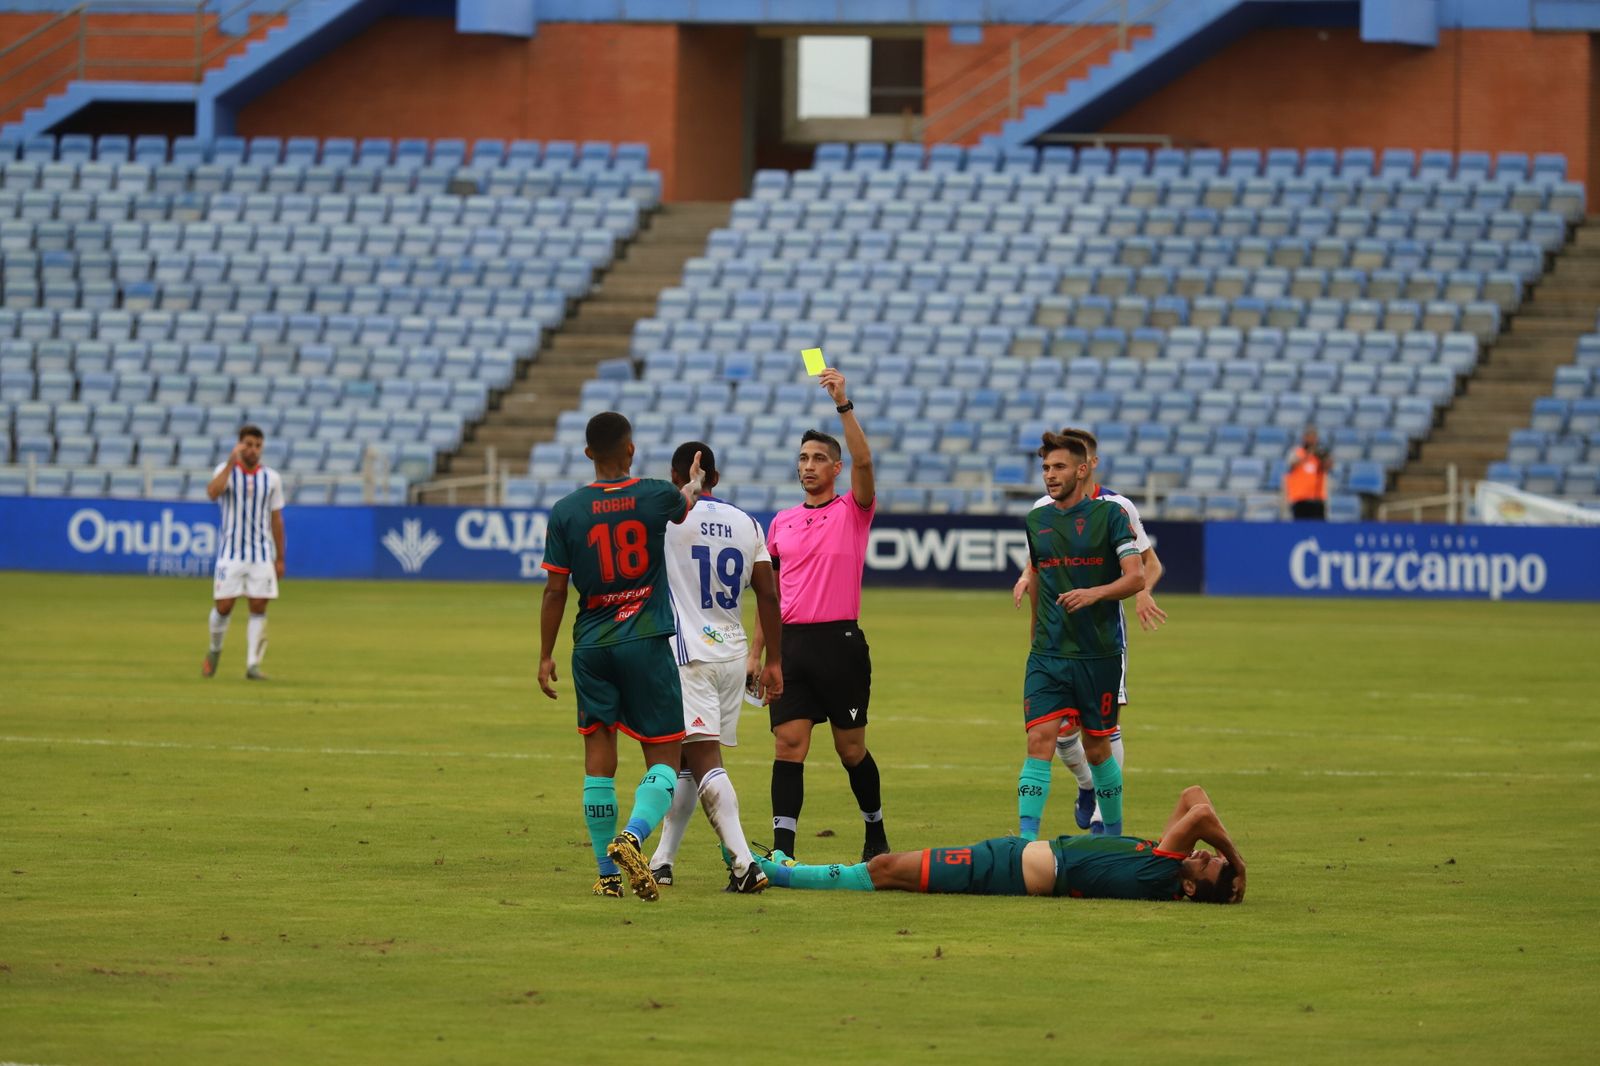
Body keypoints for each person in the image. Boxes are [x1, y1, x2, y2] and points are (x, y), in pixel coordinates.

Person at [537, 412, 706, 901]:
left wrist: (545, 655)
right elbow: (686, 502)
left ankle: (606, 875)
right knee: (665, 759)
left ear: (588, 453)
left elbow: (554, 591)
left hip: (590, 645)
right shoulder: (655, 494)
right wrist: (693, 482)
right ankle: (631, 838)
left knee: (598, 758)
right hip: (645, 638)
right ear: (630, 450)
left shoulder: (566, 510)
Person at [747, 366, 888, 863]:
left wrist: (843, 404)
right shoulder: (781, 521)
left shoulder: (854, 510)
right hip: (792, 648)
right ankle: (783, 852)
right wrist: (758, 652)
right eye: (803, 458)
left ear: (836, 469)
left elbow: (866, 461)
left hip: (840, 646)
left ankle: (875, 831)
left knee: (851, 750)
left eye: (819, 459)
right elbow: (770, 596)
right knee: (788, 746)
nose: (808, 465)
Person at [1010, 427, 1166, 833]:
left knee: (1099, 743)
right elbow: (1040, 573)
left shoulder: (1115, 510)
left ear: (1084, 469)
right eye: (1045, 467)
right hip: (1048, 652)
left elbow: (1141, 571)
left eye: (1058, 466)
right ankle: (1027, 843)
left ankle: (1106, 827)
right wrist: (1033, 623)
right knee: (1044, 740)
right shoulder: (1037, 517)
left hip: (1098, 648)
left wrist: (1116, 593)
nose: (1049, 474)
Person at [647, 440, 785, 894]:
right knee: (689, 758)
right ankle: (663, 860)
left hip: (690, 656)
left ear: (674, 479)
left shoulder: (666, 520)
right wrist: (773, 660)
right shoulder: (746, 523)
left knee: (704, 760)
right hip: (732, 652)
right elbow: (768, 595)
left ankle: (745, 866)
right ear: (718, 479)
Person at [753, 785, 1245, 904]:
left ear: (1189, 889)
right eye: (1211, 854)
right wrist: (1228, 866)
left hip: (999, 871)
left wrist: (1238, 862)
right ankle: (781, 869)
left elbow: (1201, 815)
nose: (1205, 854)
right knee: (887, 867)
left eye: (1207, 865)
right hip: (1007, 858)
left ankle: (781, 873)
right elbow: (1192, 796)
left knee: (884, 868)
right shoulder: (1164, 860)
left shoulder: (1161, 872)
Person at [202, 424, 285, 681]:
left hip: (261, 553)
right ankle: (215, 649)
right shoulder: (225, 472)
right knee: (224, 606)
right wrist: (230, 462)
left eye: (258, 446)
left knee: (258, 605)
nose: (253, 450)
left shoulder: (271, 478)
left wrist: (280, 556)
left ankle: (253, 665)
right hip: (231, 552)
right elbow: (212, 493)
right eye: (248, 444)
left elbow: (276, 518)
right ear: (240, 445)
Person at [1285, 426, 1332, 520]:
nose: (1312, 440)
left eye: (1314, 437)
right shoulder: (1297, 452)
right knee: (1300, 528)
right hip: (1300, 498)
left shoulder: (1320, 454)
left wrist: (1323, 457)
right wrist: (1307, 454)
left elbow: (1328, 467)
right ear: (1304, 438)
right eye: (1309, 437)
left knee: (1318, 527)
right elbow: (1291, 464)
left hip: (1317, 498)